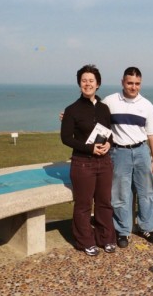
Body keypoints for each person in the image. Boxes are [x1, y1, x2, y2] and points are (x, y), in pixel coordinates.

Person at [60, 64, 116, 256]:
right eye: (84, 80)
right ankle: (85, 241)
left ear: (98, 84)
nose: (87, 84)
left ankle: (106, 238)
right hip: (82, 163)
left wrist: (109, 143)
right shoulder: (71, 110)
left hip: (105, 163)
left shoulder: (104, 108)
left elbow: (110, 133)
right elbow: (66, 138)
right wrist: (89, 148)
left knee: (104, 202)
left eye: (91, 80)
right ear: (79, 84)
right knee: (83, 205)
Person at [103, 67, 153, 248]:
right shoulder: (110, 101)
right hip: (119, 153)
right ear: (122, 82)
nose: (133, 87)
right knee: (120, 193)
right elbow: (94, 118)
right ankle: (123, 231)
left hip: (142, 151)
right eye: (130, 83)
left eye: (137, 84)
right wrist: (68, 116)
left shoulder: (147, 105)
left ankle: (147, 227)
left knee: (147, 192)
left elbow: (152, 135)